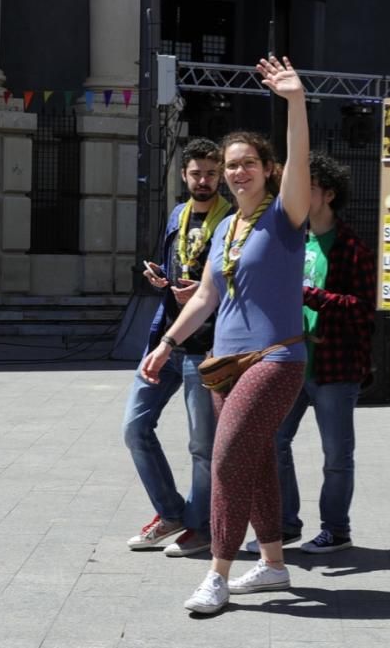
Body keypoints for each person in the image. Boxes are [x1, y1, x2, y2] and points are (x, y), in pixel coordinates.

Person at [139, 55, 310, 616]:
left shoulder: (285, 216)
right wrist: (166, 344)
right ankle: (275, 565)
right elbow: (208, 297)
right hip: (223, 362)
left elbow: (300, 161)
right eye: (231, 164)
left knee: (227, 457)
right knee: (253, 461)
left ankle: (218, 572)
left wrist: (295, 102)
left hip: (276, 358)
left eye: (247, 164)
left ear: (269, 169)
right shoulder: (225, 229)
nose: (237, 172)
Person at [243, 152, 375, 556]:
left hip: (336, 368)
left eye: (309, 187)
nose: (298, 194)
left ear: (329, 194)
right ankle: (285, 525)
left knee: (336, 454)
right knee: (275, 441)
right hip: (291, 362)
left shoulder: (352, 246)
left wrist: (312, 297)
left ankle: (336, 530)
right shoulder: (293, 241)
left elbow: (363, 309)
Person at [122, 138, 232, 558]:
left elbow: (234, 285)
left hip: (206, 349)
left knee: (202, 446)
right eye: (195, 173)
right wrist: (163, 280)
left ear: (219, 175)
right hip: (165, 340)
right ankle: (170, 513)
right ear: (183, 176)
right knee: (134, 428)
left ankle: (199, 526)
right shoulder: (177, 215)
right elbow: (178, 266)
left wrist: (206, 294)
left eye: (210, 173)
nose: (203, 180)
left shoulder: (232, 219)